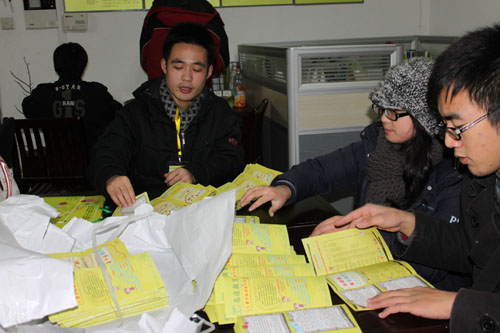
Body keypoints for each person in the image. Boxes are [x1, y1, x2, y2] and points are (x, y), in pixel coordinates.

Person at [323, 24, 500, 332]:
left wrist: (461, 305)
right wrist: (406, 223)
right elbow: (473, 247)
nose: (448, 142)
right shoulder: (483, 178)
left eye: (457, 128)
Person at [241, 57, 470, 291]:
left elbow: (438, 259)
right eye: (382, 109)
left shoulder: (456, 170)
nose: (383, 118)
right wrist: (285, 188)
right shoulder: (376, 145)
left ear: (425, 117)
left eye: (394, 112)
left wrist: (358, 238)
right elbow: (321, 171)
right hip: (369, 272)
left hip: (427, 289)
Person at [87, 22, 244, 208]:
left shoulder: (220, 112)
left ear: (209, 72)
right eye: (178, 67)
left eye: (197, 69)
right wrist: (111, 176)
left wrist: (196, 172)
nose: (187, 77)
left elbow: (232, 159)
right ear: (164, 65)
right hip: (148, 211)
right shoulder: (135, 113)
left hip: (202, 209)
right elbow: (106, 151)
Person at [22, 42, 121, 149]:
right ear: (83, 64)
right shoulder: (97, 92)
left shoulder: (42, 94)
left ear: (56, 65)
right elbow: (119, 114)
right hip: (93, 163)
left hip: (54, 163)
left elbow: (28, 109)